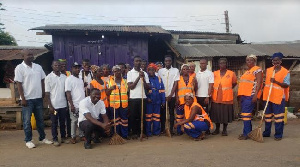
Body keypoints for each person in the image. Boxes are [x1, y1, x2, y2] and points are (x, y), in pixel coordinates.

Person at [14, 49, 53, 149]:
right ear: (23, 57)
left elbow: (42, 79)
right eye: (28, 55)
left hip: (38, 98)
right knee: (27, 121)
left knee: (40, 120)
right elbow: (19, 84)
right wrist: (22, 98)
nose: (31, 56)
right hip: (27, 99)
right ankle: (28, 140)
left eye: (32, 54)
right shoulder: (19, 68)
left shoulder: (38, 67)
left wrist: (43, 92)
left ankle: (42, 138)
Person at [262, 52, 290, 141]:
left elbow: (286, 85)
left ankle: (278, 134)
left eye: (277, 60)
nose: (275, 62)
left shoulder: (285, 72)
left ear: (280, 61)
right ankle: (266, 132)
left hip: (278, 97)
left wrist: (276, 82)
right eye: (274, 60)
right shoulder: (269, 70)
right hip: (268, 96)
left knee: (278, 117)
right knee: (267, 116)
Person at [237, 54, 263, 140]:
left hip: (250, 96)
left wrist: (255, 95)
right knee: (245, 115)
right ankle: (247, 132)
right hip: (244, 96)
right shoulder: (247, 71)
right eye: (247, 60)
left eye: (251, 60)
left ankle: (247, 134)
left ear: (254, 61)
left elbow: (259, 83)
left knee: (246, 115)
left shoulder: (257, 70)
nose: (249, 62)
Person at [210, 58, 237, 136]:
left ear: (226, 64)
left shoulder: (231, 73)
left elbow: (234, 83)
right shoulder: (214, 73)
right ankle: (217, 129)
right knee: (216, 114)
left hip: (227, 97)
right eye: (221, 63)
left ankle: (224, 130)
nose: (222, 64)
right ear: (218, 64)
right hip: (216, 97)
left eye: (224, 63)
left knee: (226, 114)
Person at [45, 61, 68, 146]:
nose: (57, 67)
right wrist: (50, 106)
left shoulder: (64, 77)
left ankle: (63, 138)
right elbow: (47, 94)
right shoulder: (49, 77)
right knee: (54, 123)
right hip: (54, 106)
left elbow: (66, 92)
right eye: (55, 65)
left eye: (59, 65)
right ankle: (55, 139)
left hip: (63, 105)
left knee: (62, 122)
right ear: (52, 66)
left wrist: (67, 104)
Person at [127, 56, 150, 139]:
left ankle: (142, 132)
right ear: (133, 62)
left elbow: (148, 87)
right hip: (133, 98)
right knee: (133, 116)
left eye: (139, 61)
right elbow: (131, 87)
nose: (138, 63)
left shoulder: (145, 73)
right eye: (136, 61)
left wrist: (143, 78)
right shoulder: (130, 73)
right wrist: (138, 77)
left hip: (142, 97)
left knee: (142, 116)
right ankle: (134, 132)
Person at [158, 55, 180, 135]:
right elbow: (159, 83)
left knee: (171, 113)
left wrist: (171, 95)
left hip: (172, 96)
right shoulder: (160, 71)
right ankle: (163, 128)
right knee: (163, 113)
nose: (168, 62)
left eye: (169, 61)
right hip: (162, 96)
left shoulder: (175, 70)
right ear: (164, 62)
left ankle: (170, 129)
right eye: (166, 61)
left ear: (171, 61)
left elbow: (175, 83)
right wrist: (162, 95)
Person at [106, 65, 129, 139]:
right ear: (113, 72)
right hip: (114, 105)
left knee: (124, 121)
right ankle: (117, 134)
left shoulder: (125, 81)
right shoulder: (109, 81)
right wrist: (111, 88)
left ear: (121, 71)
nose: (117, 72)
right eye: (115, 71)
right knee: (116, 121)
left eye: (118, 70)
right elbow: (107, 93)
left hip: (124, 104)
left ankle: (124, 135)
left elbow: (128, 93)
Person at [65, 62, 85, 144]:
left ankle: (81, 135)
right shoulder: (69, 79)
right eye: (75, 68)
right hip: (74, 104)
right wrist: (71, 105)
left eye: (78, 68)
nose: (77, 69)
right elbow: (68, 93)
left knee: (81, 120)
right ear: (72, 69)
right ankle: (73, 136)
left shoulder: (80, 78)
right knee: (74, 121)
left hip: (82, 104)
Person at [175, 64, 197, 135]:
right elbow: (176, 89)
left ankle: (188, 129)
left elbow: (195, 89)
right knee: (179, 116)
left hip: (190, 101)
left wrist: (195, 83)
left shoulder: (192, 78)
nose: (185, 71)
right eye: (184, 69)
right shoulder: (178, 78)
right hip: (181, 100)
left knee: (189, 116)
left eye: (187, 69)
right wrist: (177, 98)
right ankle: (179, 131)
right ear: (181, 70)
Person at [146, 63, 165, 136]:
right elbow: (144, 90)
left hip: (157, 101)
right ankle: (148, 132)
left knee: (157, 117)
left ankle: (156, 132)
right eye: (149, 70)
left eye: (152, 70)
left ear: (155, 70)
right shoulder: (146, 79)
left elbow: (162, 90)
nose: (151, 71)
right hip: (149, 102)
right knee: (148, 118)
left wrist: (163, 101)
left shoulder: (159, 79)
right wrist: (147, 98)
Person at [58, 59, 71, 139]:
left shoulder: (68, 73)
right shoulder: (57, 74)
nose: (63, 66)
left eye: (64, 65)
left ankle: (69, 134)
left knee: (69, 118)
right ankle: (62, 135)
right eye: (61, 65)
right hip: (59, 99)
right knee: (61, 118)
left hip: (68, 98)